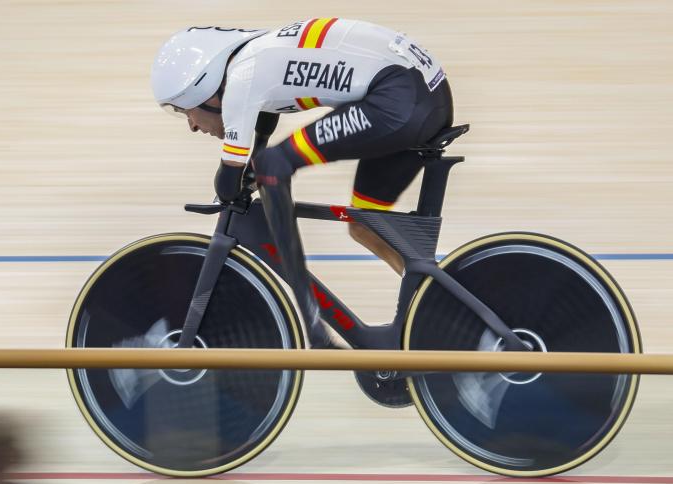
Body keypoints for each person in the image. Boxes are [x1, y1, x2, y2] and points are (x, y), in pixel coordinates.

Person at [151, 19, 454, 347]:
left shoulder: (241, 77)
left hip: (400, 98)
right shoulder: (256, 62)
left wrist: (236, 184)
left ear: (205, 91)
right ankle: (438, 303)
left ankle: (312, 323)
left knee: (273, 165)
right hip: (417, 95)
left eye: (187, 113)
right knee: (363, 225)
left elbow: (229, 175)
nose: (193, 126)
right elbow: (262, 132)